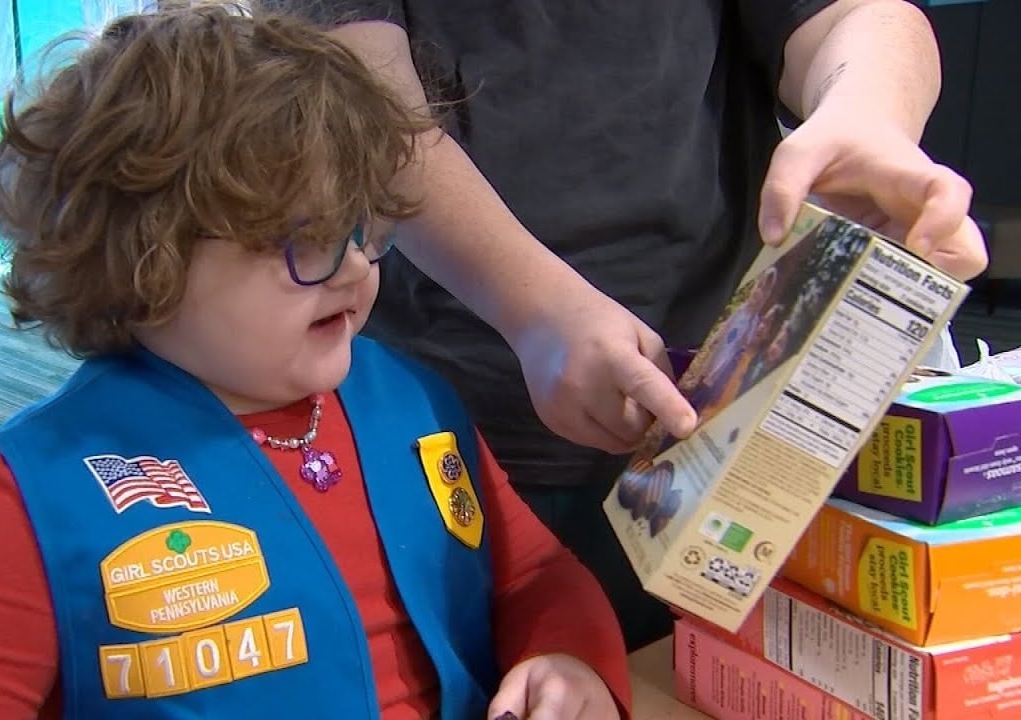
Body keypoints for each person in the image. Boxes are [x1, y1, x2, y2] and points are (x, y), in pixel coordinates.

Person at [0, 6, 631, 720]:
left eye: (360, 225)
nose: (356, 266)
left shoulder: (410, 397)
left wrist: (571, 658)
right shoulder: (23, 497)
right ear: (144, 261)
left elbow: (532, 578)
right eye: (304, 239)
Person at [284, 0, 991, 650]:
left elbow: (859, 18)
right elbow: (362, 102)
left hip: (727, 430)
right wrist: (537, 312)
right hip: (457, 445)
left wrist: (866, 113)